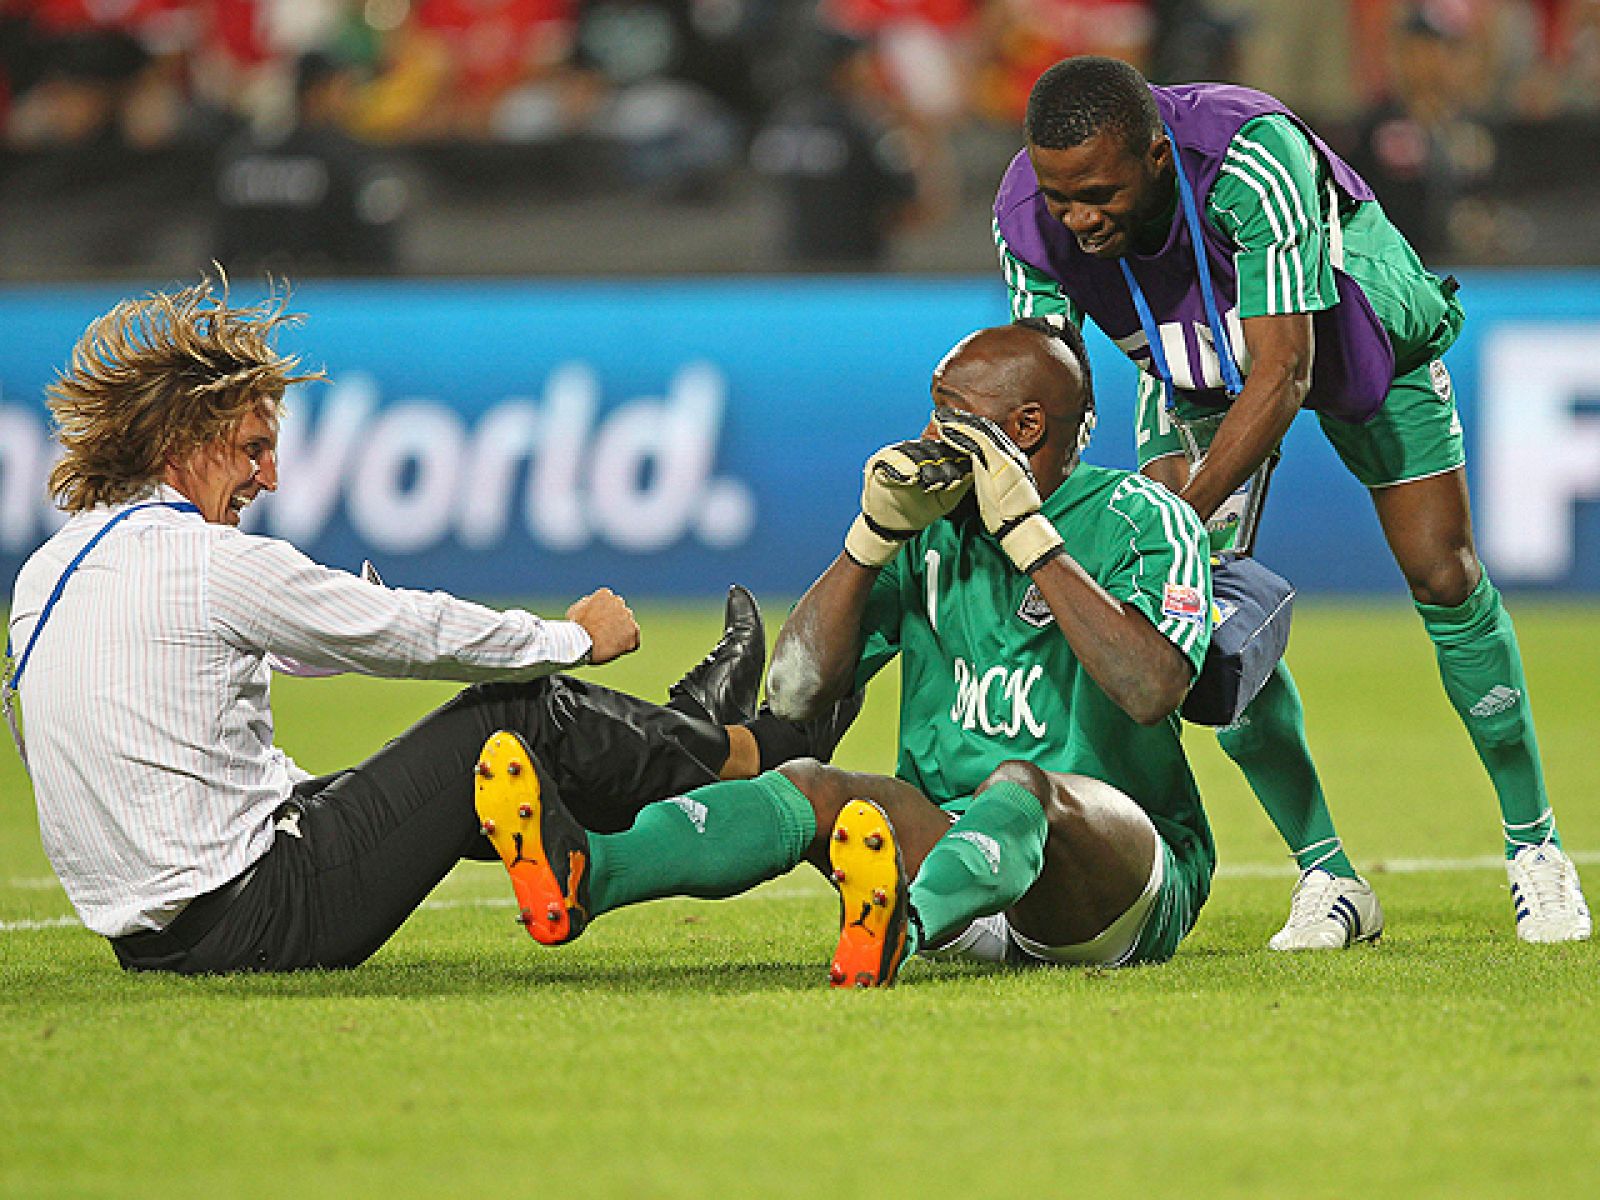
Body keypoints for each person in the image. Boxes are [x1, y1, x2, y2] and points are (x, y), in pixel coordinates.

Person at [2, 277, 853, 975]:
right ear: (184, 440)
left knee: (454, 790)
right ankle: (755, 747)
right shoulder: (207, 562)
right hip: (261, 913)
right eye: (255, 444)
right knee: (513, 717)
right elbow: (403, 632)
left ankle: (635, 785)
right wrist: (571, 639)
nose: (271, 472)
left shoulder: (47, 571)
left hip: (148, 939)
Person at [992, 55, 1589, 945]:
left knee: (1445, 576)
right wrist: (1046, 524)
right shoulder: (1025, 218)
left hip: (1349, 340)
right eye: (1059, 196)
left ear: (1157, 156)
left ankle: (1536, 850)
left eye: (1099, 195)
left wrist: (1177, 524)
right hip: (1190, 376)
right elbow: (1047, 389)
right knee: (1195, 618)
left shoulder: (1250, 156)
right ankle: (1332, 880)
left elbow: (1284, 372)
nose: (1076, 218)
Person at [473, 319, 1219, 984]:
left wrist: (1030, 538)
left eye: (953, 419)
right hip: (952, 854)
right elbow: (795, 692)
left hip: (1112, 882)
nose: (930, 438)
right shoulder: (930, 527)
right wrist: (869, 540)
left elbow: (1151, 688)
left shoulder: (1140, 519)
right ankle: (591, 872)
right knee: (810, 781)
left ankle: (905, 923)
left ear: (1023, 428)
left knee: (1022, 784)